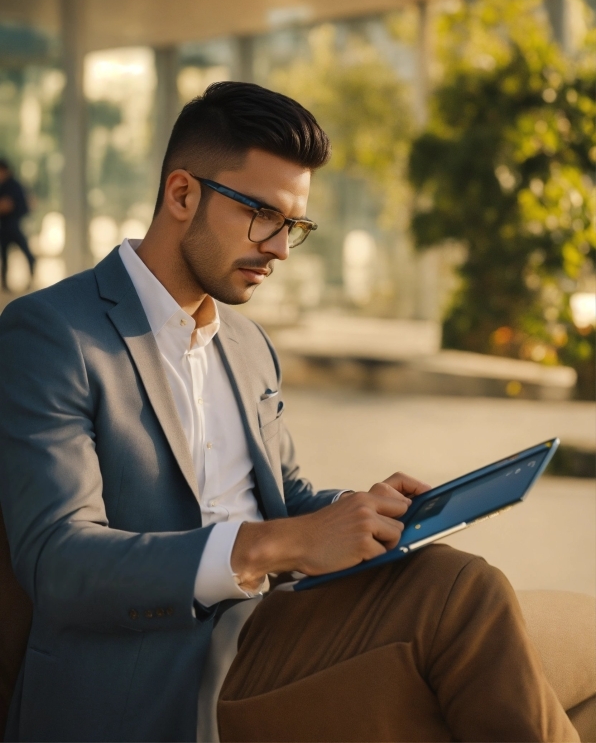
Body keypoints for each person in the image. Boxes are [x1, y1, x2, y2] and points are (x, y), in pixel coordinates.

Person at [0, 83, 578, 743]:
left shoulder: (246, 345)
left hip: (272, 633)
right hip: (145, 671)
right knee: (461, 595)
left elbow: (286, 497)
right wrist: (283, 544)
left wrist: (360, 511)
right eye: (260, 215)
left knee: (456, 582)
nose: (278, 247)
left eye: (293, 226)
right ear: (182, 194)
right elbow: (59, 562)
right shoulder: (54, 335)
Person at [0, 159, 35, 293]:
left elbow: (8, 206)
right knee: (5, 255)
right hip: (5, 226)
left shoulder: (12, 186)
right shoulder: (4, 186)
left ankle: (31, 279)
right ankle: (5, 284)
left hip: (13, 225)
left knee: (26, 253)